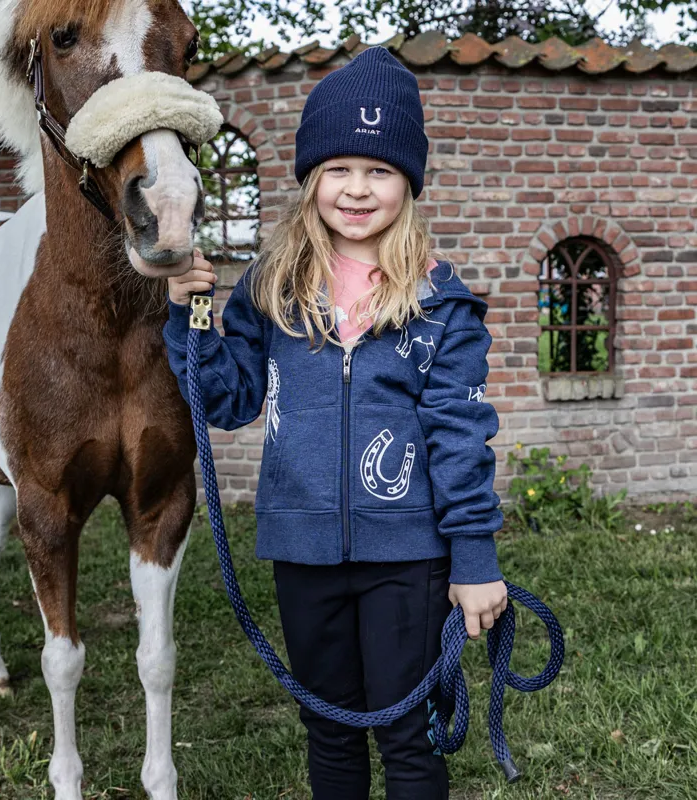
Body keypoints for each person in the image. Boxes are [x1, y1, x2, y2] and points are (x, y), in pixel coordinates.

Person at [162, 45, 508, 800]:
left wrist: (474, 559)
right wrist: (191, 312)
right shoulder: (270, 289)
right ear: (312, 176)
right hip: (303, 550)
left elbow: (458, 434)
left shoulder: (438, 301)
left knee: (406, 734)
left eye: (380, 170)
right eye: (339, 168)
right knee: (330, 728)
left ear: (407, 182)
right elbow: (227, 399)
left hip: (409, 555)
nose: (357, 189)